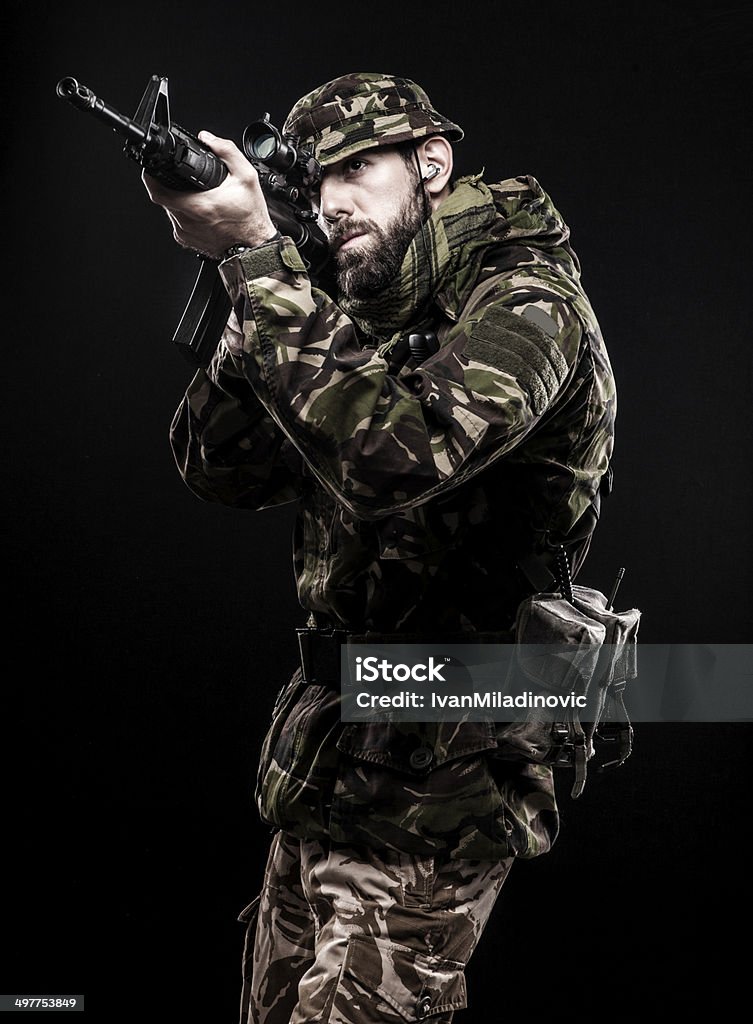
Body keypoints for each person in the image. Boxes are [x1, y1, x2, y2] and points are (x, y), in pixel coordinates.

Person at [144, 72, 616, 1023]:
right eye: (316, 182)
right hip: (331, 754)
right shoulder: (354, 307)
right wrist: (257, 286)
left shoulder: (527, 306)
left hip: (445, 764)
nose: (331, 202)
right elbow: (218, 469)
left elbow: (396, 457)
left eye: (359, 168)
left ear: (430, 165)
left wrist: (263, 266)